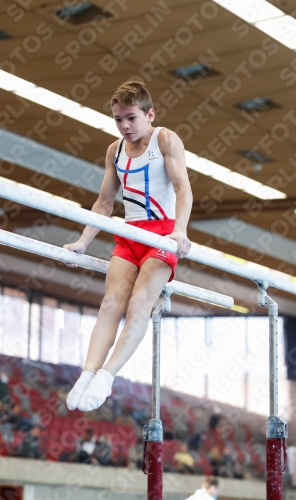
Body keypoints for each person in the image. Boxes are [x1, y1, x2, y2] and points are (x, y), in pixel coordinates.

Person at [65, 81, 193, 412]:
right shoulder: (115, 150)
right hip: (130, 232)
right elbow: (104, 204)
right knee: (111, 302)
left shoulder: (165, 139)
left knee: (138, 304)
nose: (125, 126)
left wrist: (179, 231)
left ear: (149, 115)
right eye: (118, 119)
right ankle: (87, 373)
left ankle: (107, 375)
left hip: (162, 234)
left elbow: (182, 189)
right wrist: (83, 242)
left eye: (131, 118)